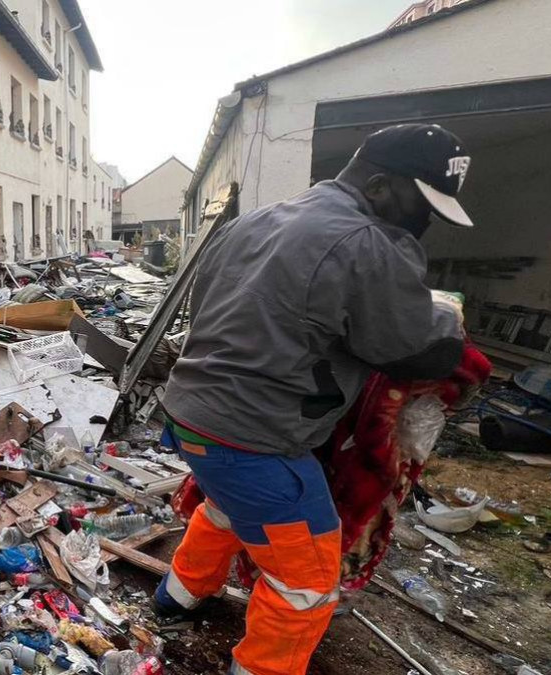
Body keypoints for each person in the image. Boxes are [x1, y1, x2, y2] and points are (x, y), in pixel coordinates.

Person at [155, 124, 474, 675]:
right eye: (420, 205)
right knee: (306, 577)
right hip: (255, 438)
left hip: (191, 415)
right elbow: (407, 348)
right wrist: (447, 318)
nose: (423, 224)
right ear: (378, 185)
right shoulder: (369, 243)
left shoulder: (250, 222)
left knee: (229, 510)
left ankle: (176, 599)